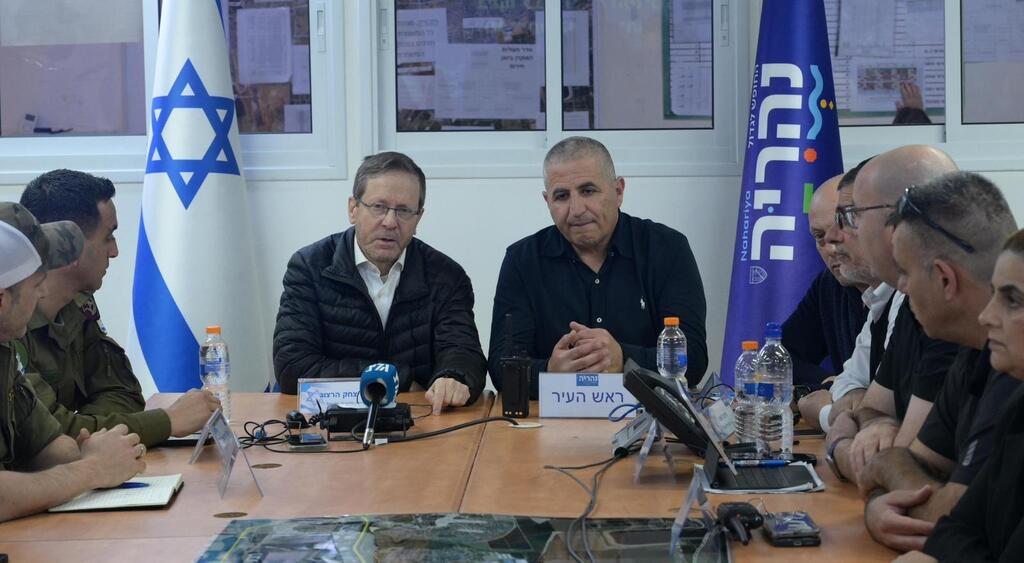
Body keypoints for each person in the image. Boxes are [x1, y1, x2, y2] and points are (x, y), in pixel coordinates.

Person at [857, 171, 1019, 552]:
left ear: (946, 279)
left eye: (905, 272)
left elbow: (952, 518)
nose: (901, 287)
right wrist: (879, 504)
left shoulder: (1014, 373)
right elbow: (906, 461)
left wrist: (891, 497)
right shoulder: (973, 352)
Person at [489, 136, 707, 397]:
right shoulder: (522, 260)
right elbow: (502, 369)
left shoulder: (667, 249)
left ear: (618, 192)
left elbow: (693, 359)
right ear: (547, 201)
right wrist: (549, 372)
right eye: (561, 196)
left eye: (588, 191)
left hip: (647, 417)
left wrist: (624, 359)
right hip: (552, 423)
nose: (577, 209)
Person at [274, 152, 487, 414]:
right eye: (378, 207)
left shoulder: (446, 276)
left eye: (404, 211)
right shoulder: (310, 267)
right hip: (333, 422)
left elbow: (463, 353)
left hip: (420, 423)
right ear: (353, 209)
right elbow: (292, 366)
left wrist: (454, 377)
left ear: (418, 218)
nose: (390, 222)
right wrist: (401, 378)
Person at [18, 170, 220, 447]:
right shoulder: (10, 323)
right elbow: (46, 431)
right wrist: (168, 421)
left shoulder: (77, 304)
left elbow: (121, 392)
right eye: (108, 237)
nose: (114, 252)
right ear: (70, 244)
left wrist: (90, 432)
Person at [0, 202, 143, 522]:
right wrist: (90, 469)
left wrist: (92, 452)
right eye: (36, 288)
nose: (41, 298)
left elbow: (45, 444)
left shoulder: (4, 349)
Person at [826, 146, 961, 484]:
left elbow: (905, 476)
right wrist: (876, 424)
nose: (839, 235)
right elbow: (870, 409)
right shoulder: (912, 298)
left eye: (851, 215)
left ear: (898, 216)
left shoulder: (950, 315)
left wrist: (839, 446)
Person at [895, 229, 1024, 563]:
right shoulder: (1019, 410)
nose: (986, 317)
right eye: (994, 294)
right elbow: (950, 531)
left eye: (1013, 300)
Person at [801, 160, 902, 433]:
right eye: (819, 236)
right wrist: (836, 391)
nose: (834, 240)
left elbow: (879, 426)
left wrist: (825, 415)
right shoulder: (877, 297)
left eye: (848, 219)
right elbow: (851, 382)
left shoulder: (909, 299)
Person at [782, 173, 869, 395]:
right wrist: (833, 384)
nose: (831, 246)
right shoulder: (830, 285)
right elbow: (781, 357)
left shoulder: (907, 293)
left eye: (843, 228)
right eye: (820, 237)